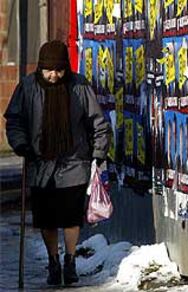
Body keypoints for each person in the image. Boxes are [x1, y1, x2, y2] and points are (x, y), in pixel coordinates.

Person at [4, 40, 111, 286]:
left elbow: (97, 121)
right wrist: (20, 144)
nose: (54, 75)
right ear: (41, 68)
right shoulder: (28, 87)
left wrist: (98, 151)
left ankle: (70, 261)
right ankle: (54, 260)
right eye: (49, 70)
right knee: (46, 218)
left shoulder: (78, 86)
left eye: (60, 70)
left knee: (71, 216)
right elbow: (15, 120)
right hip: (40, 163)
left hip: (74, 161)